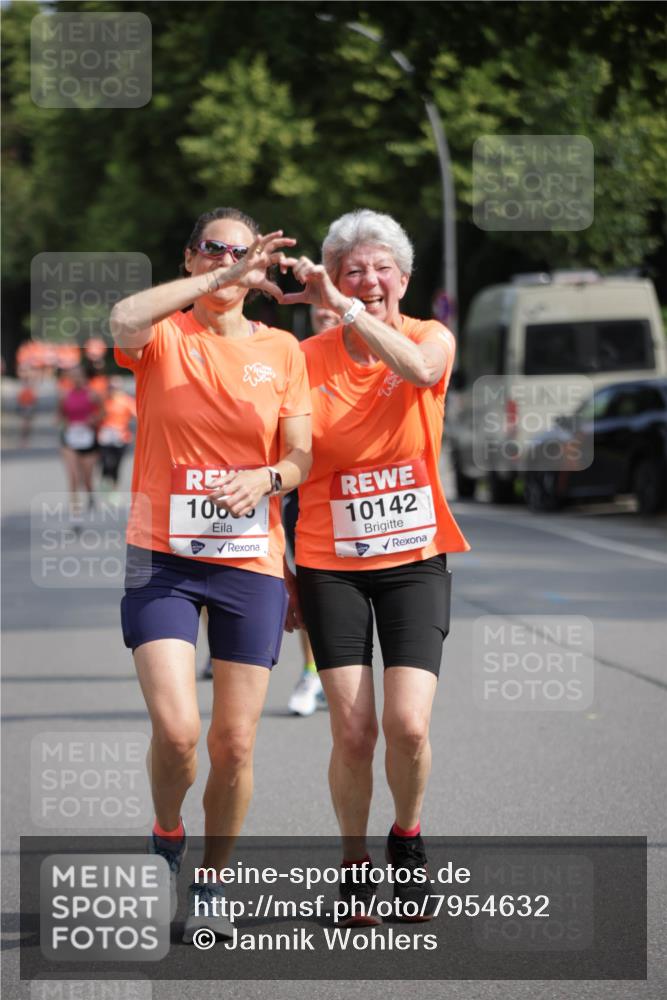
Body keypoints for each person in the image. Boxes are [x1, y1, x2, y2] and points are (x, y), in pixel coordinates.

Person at [110, 206, 311, 943]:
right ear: (192, 258)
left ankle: (216, 879)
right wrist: (219, 277)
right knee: (178, 730)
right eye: (213, 249)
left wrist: (267, 479)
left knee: (232, 745)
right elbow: (122, 316)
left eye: (241, 253)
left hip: (247, 562)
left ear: (261, 271)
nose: (228, 261)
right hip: (160, 555)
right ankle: (167, 838)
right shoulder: (163, 336)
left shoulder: (284, 351)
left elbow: (299, 458)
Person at [282, 209, 470, 925]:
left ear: (403, 277)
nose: (367, 279)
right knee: (353, 732)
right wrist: (281, 564)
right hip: (328, 560)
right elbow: (285, 461)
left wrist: (348, 310)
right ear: (333, 277)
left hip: (414, 561)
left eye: (378, 267)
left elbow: (417, 370)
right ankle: (355, 859)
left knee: (408, 726)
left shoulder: (428, 337)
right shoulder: (304, 360)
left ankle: (408, 839)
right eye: (350, 269)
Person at [285, 305, 338, 715]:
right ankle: (312, 671)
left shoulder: (372, 354)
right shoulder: (294, 357)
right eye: (317, 301)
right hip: (303, 495)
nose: (325, 308)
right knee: (310, 589)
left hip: (357, 497)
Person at [57, 365, 102, 522]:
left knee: (87, 479)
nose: (76, 379)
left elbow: (103, 412)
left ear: (85, 377)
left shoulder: (93, 395)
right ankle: (75, 513)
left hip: (88, 439)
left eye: (79, 376)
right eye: (73, 376)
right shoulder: (64, 396)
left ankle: (90, 496)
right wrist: (63, 423)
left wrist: (94, 420)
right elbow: (60, 415)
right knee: (74, 477)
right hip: (70, 440)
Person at [97, 377, 136, 496]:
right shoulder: (103, 401)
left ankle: (114, 488)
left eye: (115, 388)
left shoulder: (126, 401)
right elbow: (97, 416)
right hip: (105, 436)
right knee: (105, 461)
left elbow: (137, 415)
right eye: (111, 388)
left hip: (121, 437)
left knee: (116, 463)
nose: (113, 390)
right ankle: (105, 480)